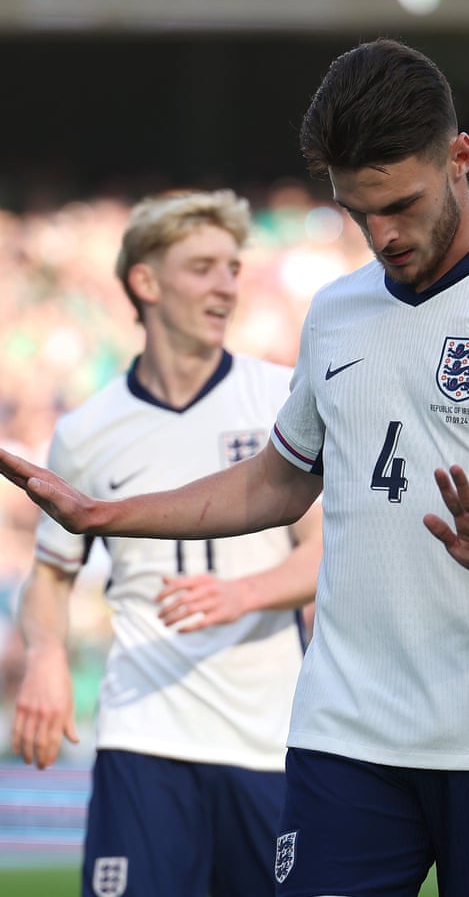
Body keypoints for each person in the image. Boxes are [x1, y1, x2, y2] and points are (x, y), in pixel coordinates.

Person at [0, 39, 469, 897]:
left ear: (460, 157)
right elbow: (274, 483)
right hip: (344, 735)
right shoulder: (337, 314)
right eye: (357, 213)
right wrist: (102, 516)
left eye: (402, 205)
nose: (382, 234)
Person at [9, 189, 323, 896]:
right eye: (204, 267)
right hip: (143, 735)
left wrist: (241, 592)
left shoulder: (280, 397)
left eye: (234, 268)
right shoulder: (89, 430)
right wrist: (47, 655)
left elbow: (325, 550)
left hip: (266, 738)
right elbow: (53, 577)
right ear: (145, 282)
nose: (227, 286)